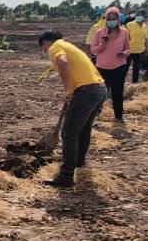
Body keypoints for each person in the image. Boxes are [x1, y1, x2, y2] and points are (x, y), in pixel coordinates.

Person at [39, 31, 106, 187]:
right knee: (83, 130)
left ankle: (66, 176)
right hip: (99, 90)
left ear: (46, 43)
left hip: (86, 93)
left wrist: (68, 89)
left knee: (68, 133)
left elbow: (62, 62)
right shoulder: (69, 46)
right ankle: (78, 163)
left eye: (42, 47)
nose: (44, 51)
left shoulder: (56, 46)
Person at [88, 8, 132, 126]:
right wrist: (103, 44)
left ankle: (118, 116)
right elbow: (93, 50)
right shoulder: (100, 33)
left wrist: (124, 53)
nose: (111, 21)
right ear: (106, 20)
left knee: (117, 92)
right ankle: (96, 115)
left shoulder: (124, 33)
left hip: (119, 67)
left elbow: (128, 48)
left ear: (118, 19)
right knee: (100, 93)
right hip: (102, 67)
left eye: (114, 19)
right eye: (109, 19)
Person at [126, 11, 148, 82]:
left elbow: (146, 38)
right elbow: (125, 36)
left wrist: (147, 48)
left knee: (136, 68)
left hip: (139, 50)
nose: (139, 16)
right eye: (137, 15)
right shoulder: (129, 24)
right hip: (129, 50)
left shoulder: (145, 26)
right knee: (125, 67)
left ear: (144, 17)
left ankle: (135, 82)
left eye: (140, 15)